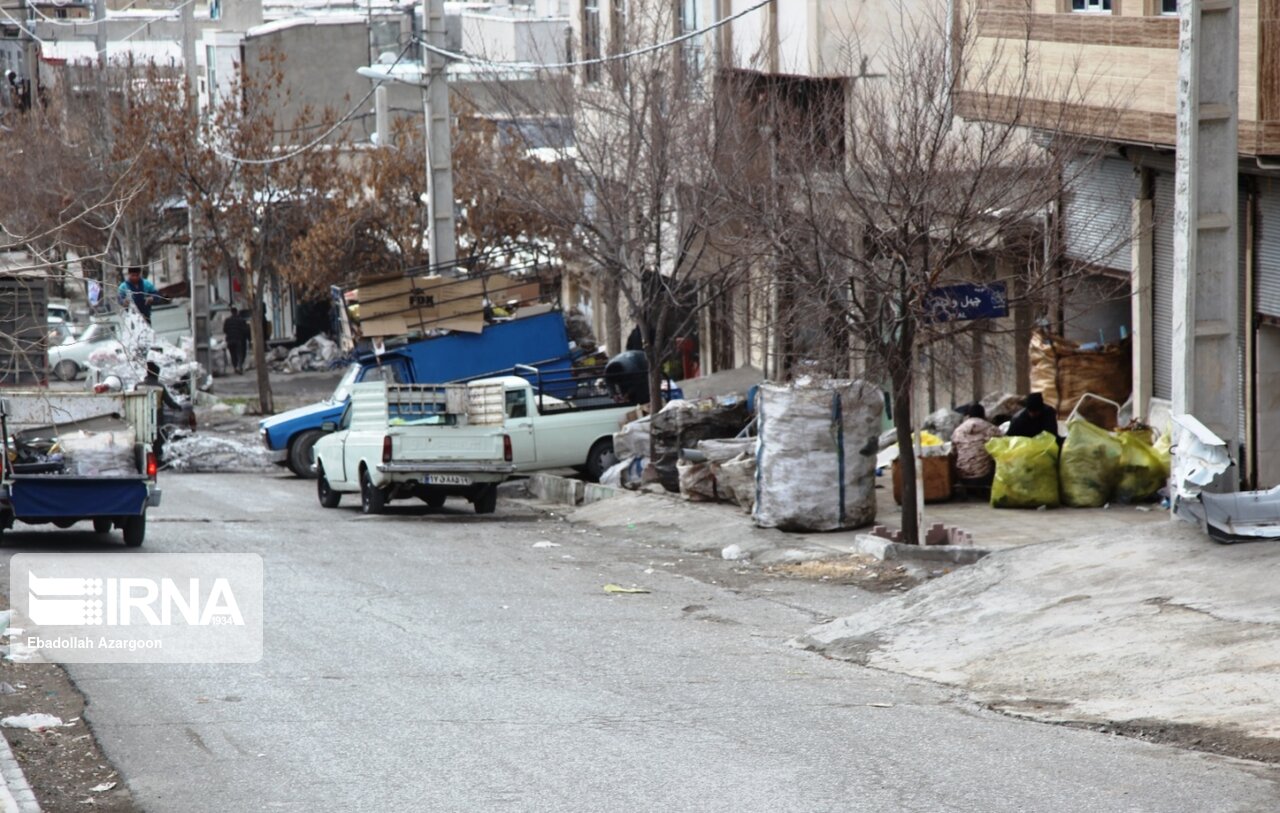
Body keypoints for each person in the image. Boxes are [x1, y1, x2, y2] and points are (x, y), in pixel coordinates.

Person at [951, 403, 1000, 484]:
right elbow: (1003, 448)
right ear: (984, 415)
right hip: (984, 476)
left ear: (968, 416)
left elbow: (953, 452)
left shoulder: (958, 430)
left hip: (962, 477)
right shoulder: (991, 428)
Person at [223, 308, 250, 375]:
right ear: (236, 312)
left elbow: (225, 330)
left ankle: (235, 367)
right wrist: (248, 338)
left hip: (230, 340)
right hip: (238, 339)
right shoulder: (241, 320)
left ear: (231, 312)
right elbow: (245, 330)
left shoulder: (227, 320)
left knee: (233, 355)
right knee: (239, 354)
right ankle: (239, 366)